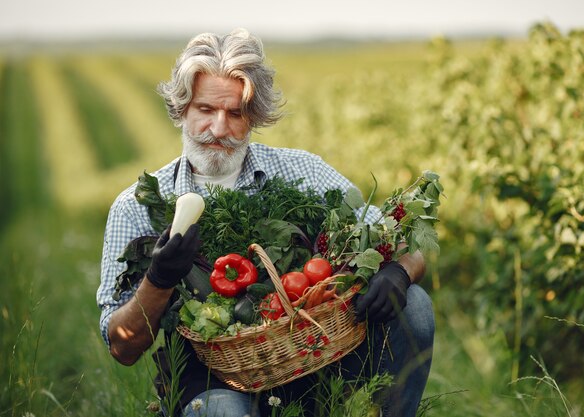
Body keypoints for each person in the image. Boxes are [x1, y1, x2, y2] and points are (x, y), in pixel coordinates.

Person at [97, 28, 434, 417]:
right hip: (209, 380)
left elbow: (410, 247)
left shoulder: (301, 172)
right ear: (182, 110)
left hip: (314, 360)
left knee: (416, 307)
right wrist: (158, 280)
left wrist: (399, 270)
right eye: (206, 110)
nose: (219, 129)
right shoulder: (137, 206)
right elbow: (122, 347)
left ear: (253, 118)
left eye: (235, 114)